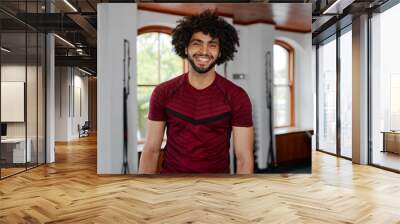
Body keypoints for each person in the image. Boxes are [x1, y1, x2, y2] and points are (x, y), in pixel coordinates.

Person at [138, 10, 254, 174]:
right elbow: (151, 150)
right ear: (185, 48)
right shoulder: (163, 92)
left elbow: (244, 158)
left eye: (212, 44)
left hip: (217, 189)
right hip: (171, 187)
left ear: (220, 52)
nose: (204, 51)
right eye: (197, 43)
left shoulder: (237, 96)